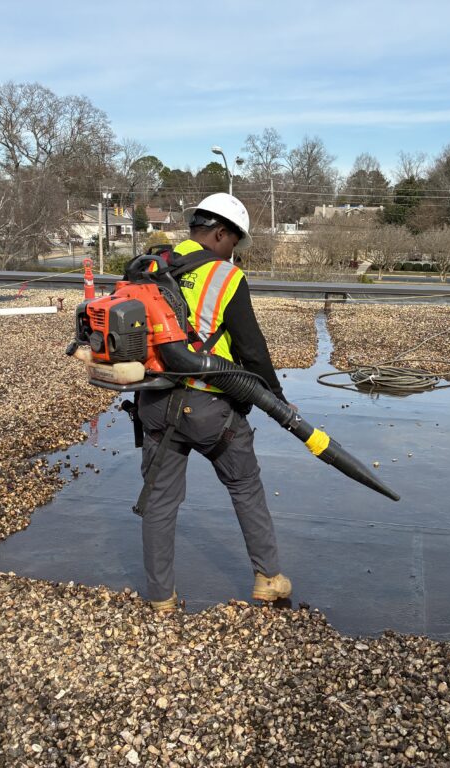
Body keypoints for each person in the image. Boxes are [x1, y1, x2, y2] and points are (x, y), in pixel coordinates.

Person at [136, 192, 292, 612]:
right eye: (234, 243)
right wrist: (276, 400)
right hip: (209, 408)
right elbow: (252, 351)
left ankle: (160, 598)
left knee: (160, 500)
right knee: (244, 485)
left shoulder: (151, 266)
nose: (234, 254)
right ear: (220, 233)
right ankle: (268, 577)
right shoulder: (225, 277)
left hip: (153, 401)